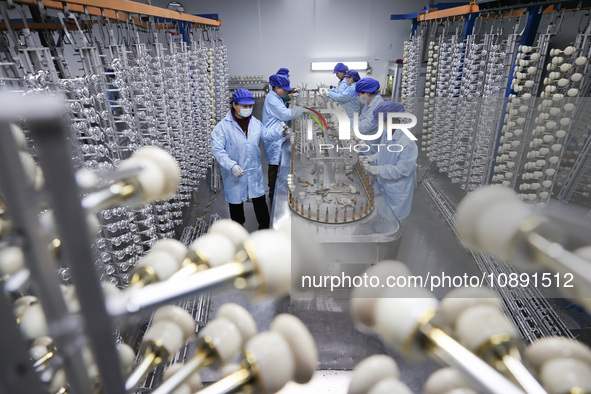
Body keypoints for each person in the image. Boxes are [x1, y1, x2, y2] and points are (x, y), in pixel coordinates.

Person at [211, 89, 285, 229]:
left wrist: (279, 132)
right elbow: (217, 150)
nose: (248, 109)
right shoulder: (223, 127)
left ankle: (264, 232)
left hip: (254, 173)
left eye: (250, 106)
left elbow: (266, 135)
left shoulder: (255, 123)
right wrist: (231, 166)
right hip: (234, 173)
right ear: (235, 105)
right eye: (244, 106)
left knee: (261, 206)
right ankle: (239, 234)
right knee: (236, 209)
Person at [366, 101, 417, 221]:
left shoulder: (407, 142)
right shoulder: (388, 132)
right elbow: (384, 152)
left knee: (393, 221)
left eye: (380, 122)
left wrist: (380, 169)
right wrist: (373, 158)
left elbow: (403, 169)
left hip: (397, 190)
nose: (379, 125)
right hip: (384, 184)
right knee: (384, 217)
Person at [262, 74, 306, 204]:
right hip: (273, 136)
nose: (287, 91)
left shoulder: (276, 96)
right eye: (284, 89)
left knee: (277, 166)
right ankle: (272, 193)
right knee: (274, 166)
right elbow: (284, 113)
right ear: (276, 88)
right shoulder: (272, 99)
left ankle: (274, 189)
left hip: (278, 133)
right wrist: (300, 110)